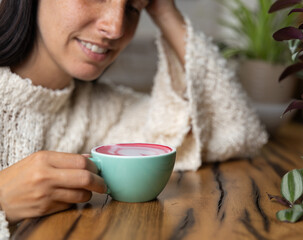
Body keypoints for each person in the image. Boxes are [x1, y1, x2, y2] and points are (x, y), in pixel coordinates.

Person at [0, 0, 268, 238]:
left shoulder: (104, 113)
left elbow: (234, 131)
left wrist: (165, 10)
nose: (116, 28)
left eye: (133, 8)